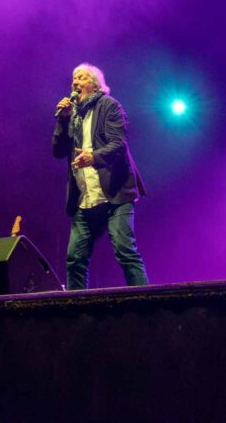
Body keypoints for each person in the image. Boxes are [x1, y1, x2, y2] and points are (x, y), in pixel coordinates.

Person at [53, 63, 149, 290]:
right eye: (73, 78)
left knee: (125, 252)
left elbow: (118, 144)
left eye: (82, 77)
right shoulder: (73, 114)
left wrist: (93, 157)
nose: (75, 82)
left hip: (115, 193)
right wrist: (62, 120)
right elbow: (57, 151)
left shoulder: (109, 106)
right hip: (85, 198)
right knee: (75, 259)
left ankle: (148, 302)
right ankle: (77, 313)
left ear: (95, 85)